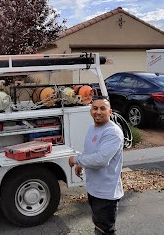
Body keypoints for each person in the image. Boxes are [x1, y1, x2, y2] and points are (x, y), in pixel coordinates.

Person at [69, 98, 124, 235]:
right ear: (90, 111)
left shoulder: (112, 132)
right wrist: (81, 164)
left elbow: (101, 159)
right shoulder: (92, 128)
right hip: (94, 189)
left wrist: (76, 160)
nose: (98, 112)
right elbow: (90, 150)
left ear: (110, 112)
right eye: (95, 108)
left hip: (106, 193)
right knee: (99, 226)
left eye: (102, 108)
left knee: (104, 230)